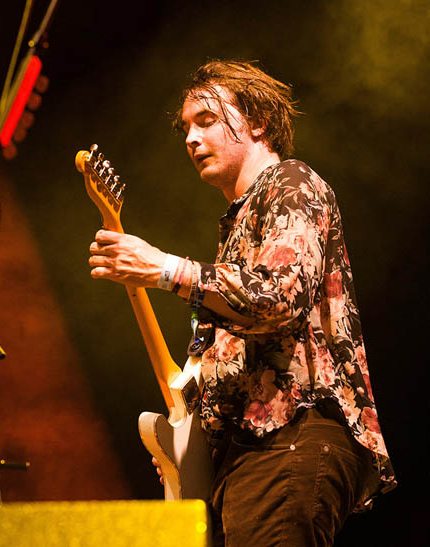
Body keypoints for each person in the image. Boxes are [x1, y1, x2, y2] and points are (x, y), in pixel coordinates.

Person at [88, 60, 396, 545]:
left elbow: (278, 298)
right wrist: (188, 442)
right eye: (185, 128)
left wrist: (166, 269)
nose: (190, 138)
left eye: (206, 120)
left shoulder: (291, 184)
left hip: (290, 433)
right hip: (245, 455)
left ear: (258, 123)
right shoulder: (236, 226)